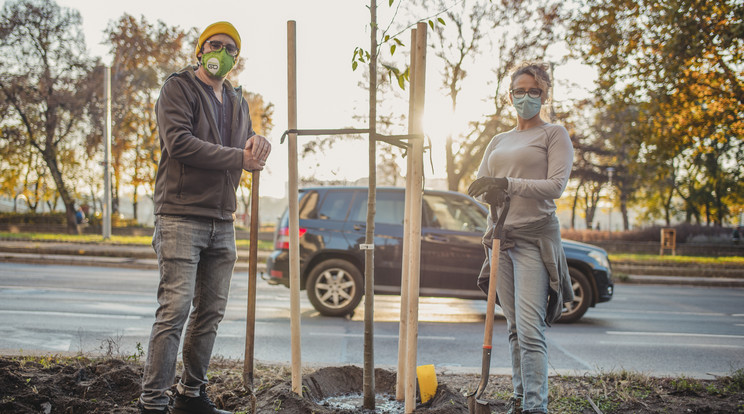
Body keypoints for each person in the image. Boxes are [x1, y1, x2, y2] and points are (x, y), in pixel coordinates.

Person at [138, 21, 271, 414]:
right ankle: (152, 402)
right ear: (201, 50)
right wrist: (239, 157)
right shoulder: (178, 88)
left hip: (222, 219)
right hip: (180, 216)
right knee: (175, 311)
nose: (224, 53)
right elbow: (179, 143)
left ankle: (191, 396)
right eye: (216, 45)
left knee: (210, 314)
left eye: (232, 49)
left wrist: (257, 147)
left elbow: (244, 154)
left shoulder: (237, 101)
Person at [467, 63, 574, 414]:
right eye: (520, 90)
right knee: (514, 329)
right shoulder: (499, 140)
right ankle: (519, 398)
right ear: (509, 94)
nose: (526, 97)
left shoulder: (553, 134)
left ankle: (535, 407)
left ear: (544, 95)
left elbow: (555, 187)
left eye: (534, 91)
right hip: (502, 240)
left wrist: (508, 184)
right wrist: (491, 192)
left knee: (530, 330)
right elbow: (484, 182)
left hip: (533, 239)